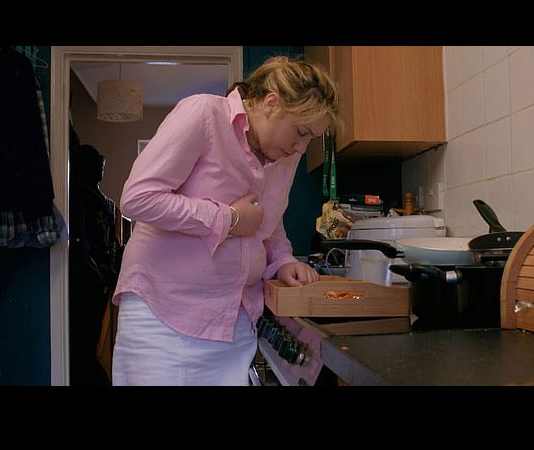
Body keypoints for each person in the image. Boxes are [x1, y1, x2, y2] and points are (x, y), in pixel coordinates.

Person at [111, 55, 340, 386]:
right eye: (300, 132)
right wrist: (228, 218)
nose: (301, 148)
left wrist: (283, 259)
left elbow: (267, 216)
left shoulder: (283, 154)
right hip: (165, 319)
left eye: (310, 139)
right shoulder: (204, 114)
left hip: (236, 323)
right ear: (272, 104)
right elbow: (138, 198)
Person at [69, 143, 118, 385]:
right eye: (97, 162)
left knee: (92, 337)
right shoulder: (77, 199)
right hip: (87, 278)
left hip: (100, 278)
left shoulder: (103, 202)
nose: (101, 167)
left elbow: (111, 241)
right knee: (84, 340)